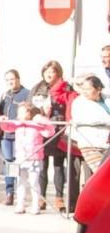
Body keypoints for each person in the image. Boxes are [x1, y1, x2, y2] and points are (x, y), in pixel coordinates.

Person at [30, 60, 72, 212]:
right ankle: (41, 198)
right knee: (42, 165)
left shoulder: (66, 87)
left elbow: (70, 104)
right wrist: (40, 112)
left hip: (59, 129)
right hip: (41, 129)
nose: (49, 74)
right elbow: (30, 108)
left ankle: (59, 198)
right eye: (46, 71)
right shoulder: (37, 88)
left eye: (52, 71)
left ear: (58, 73)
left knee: (58, 165)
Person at [0, 104, 55, 215]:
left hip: (34, 157)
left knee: (34, 182)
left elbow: (50, 132)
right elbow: (7, 127)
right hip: (20, 157)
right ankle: (20, 204)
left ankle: (35, 205)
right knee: (20, 182)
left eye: (22, 112)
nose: (19, 115)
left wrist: (42, 120)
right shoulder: (18, 124)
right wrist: (2, 121)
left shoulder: (36, 125)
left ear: (29, 113)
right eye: (18, 113)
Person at [0, 69, 31, 205]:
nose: (10, 82)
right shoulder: (5, 95)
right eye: (7, 80)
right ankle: (9, 192)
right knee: (9, 161)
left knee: (20, 162)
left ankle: (20, 192)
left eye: (12, 79)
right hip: (6, 135)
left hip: (20, 134)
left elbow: (30, 112)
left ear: (18, 79)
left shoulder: (27, 94)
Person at [70, 75, 110, 174]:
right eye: (83, 89)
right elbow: (84, 119)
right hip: (90, 144)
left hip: (107, 144)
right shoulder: (79, 102)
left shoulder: (107, 99)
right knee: (101, 173)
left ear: (98, 89)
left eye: (88, 89)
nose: (85, 92)